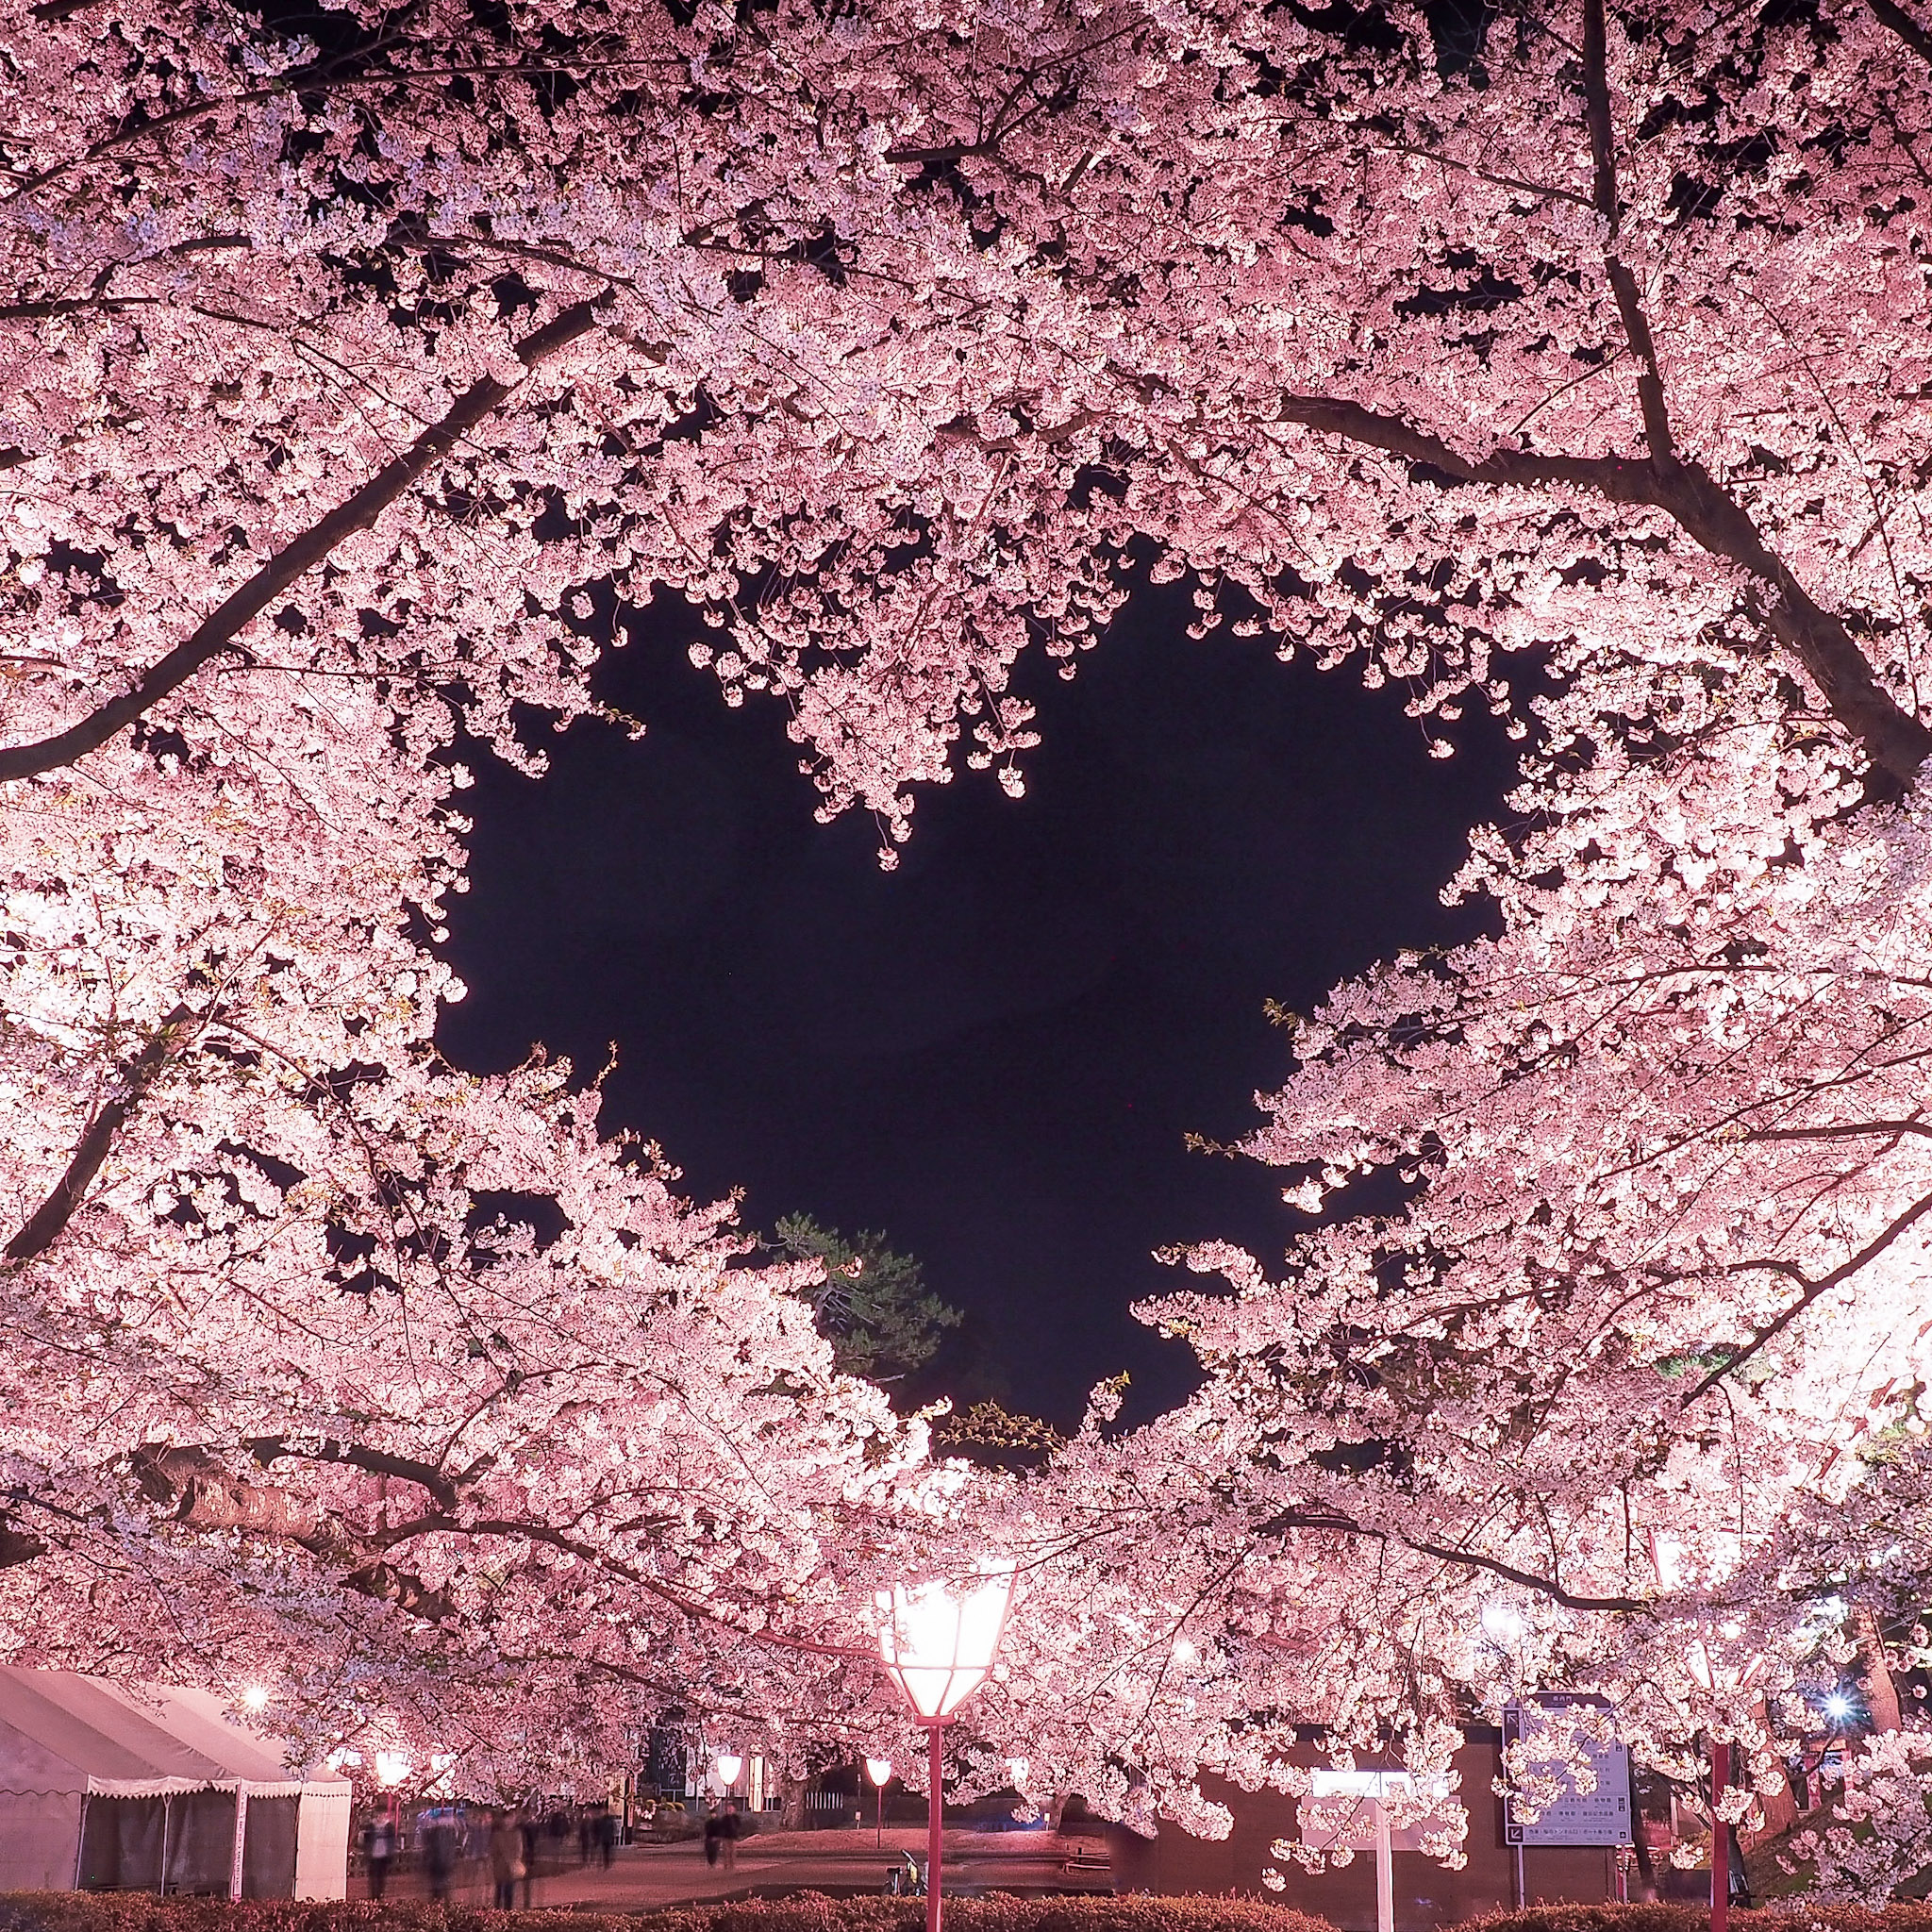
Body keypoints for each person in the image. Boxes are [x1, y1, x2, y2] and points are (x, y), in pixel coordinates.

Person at [489, 1808, 524, 1910]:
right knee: (499, 1889)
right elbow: (493, 1849)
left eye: (511, 1819)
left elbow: (518, 1850)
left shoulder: (516, 1833)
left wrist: (513, 1860)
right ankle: (497, 1910)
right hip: (500, 1865)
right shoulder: (497, 1834)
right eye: (507, 1819)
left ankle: (508, 1910)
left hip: (511, 1866)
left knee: (509, 1890)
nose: (509, 1821)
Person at [362, 1812, 395, 1900]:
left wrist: (390, 1853)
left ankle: (380, 1894)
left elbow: (392, 1841)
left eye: (383, 1814)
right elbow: (366, 1840)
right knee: (373, 1877)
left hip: (384, 1855)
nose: (381, 1816)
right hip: (373, 1855)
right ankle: (373, 1895)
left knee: (381, 1877)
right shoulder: (371, 1826)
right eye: (379, 1814)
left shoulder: (389, 1827)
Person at [595, 1801, 617, 1869]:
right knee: (603, 1851)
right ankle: (603, 1863)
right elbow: (598, 1829)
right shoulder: (601, 1820)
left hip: (607, 1838)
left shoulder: (609, 1820)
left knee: (606, 1852)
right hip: (603, 1838)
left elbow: (613, 1828)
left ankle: (606, 1863)